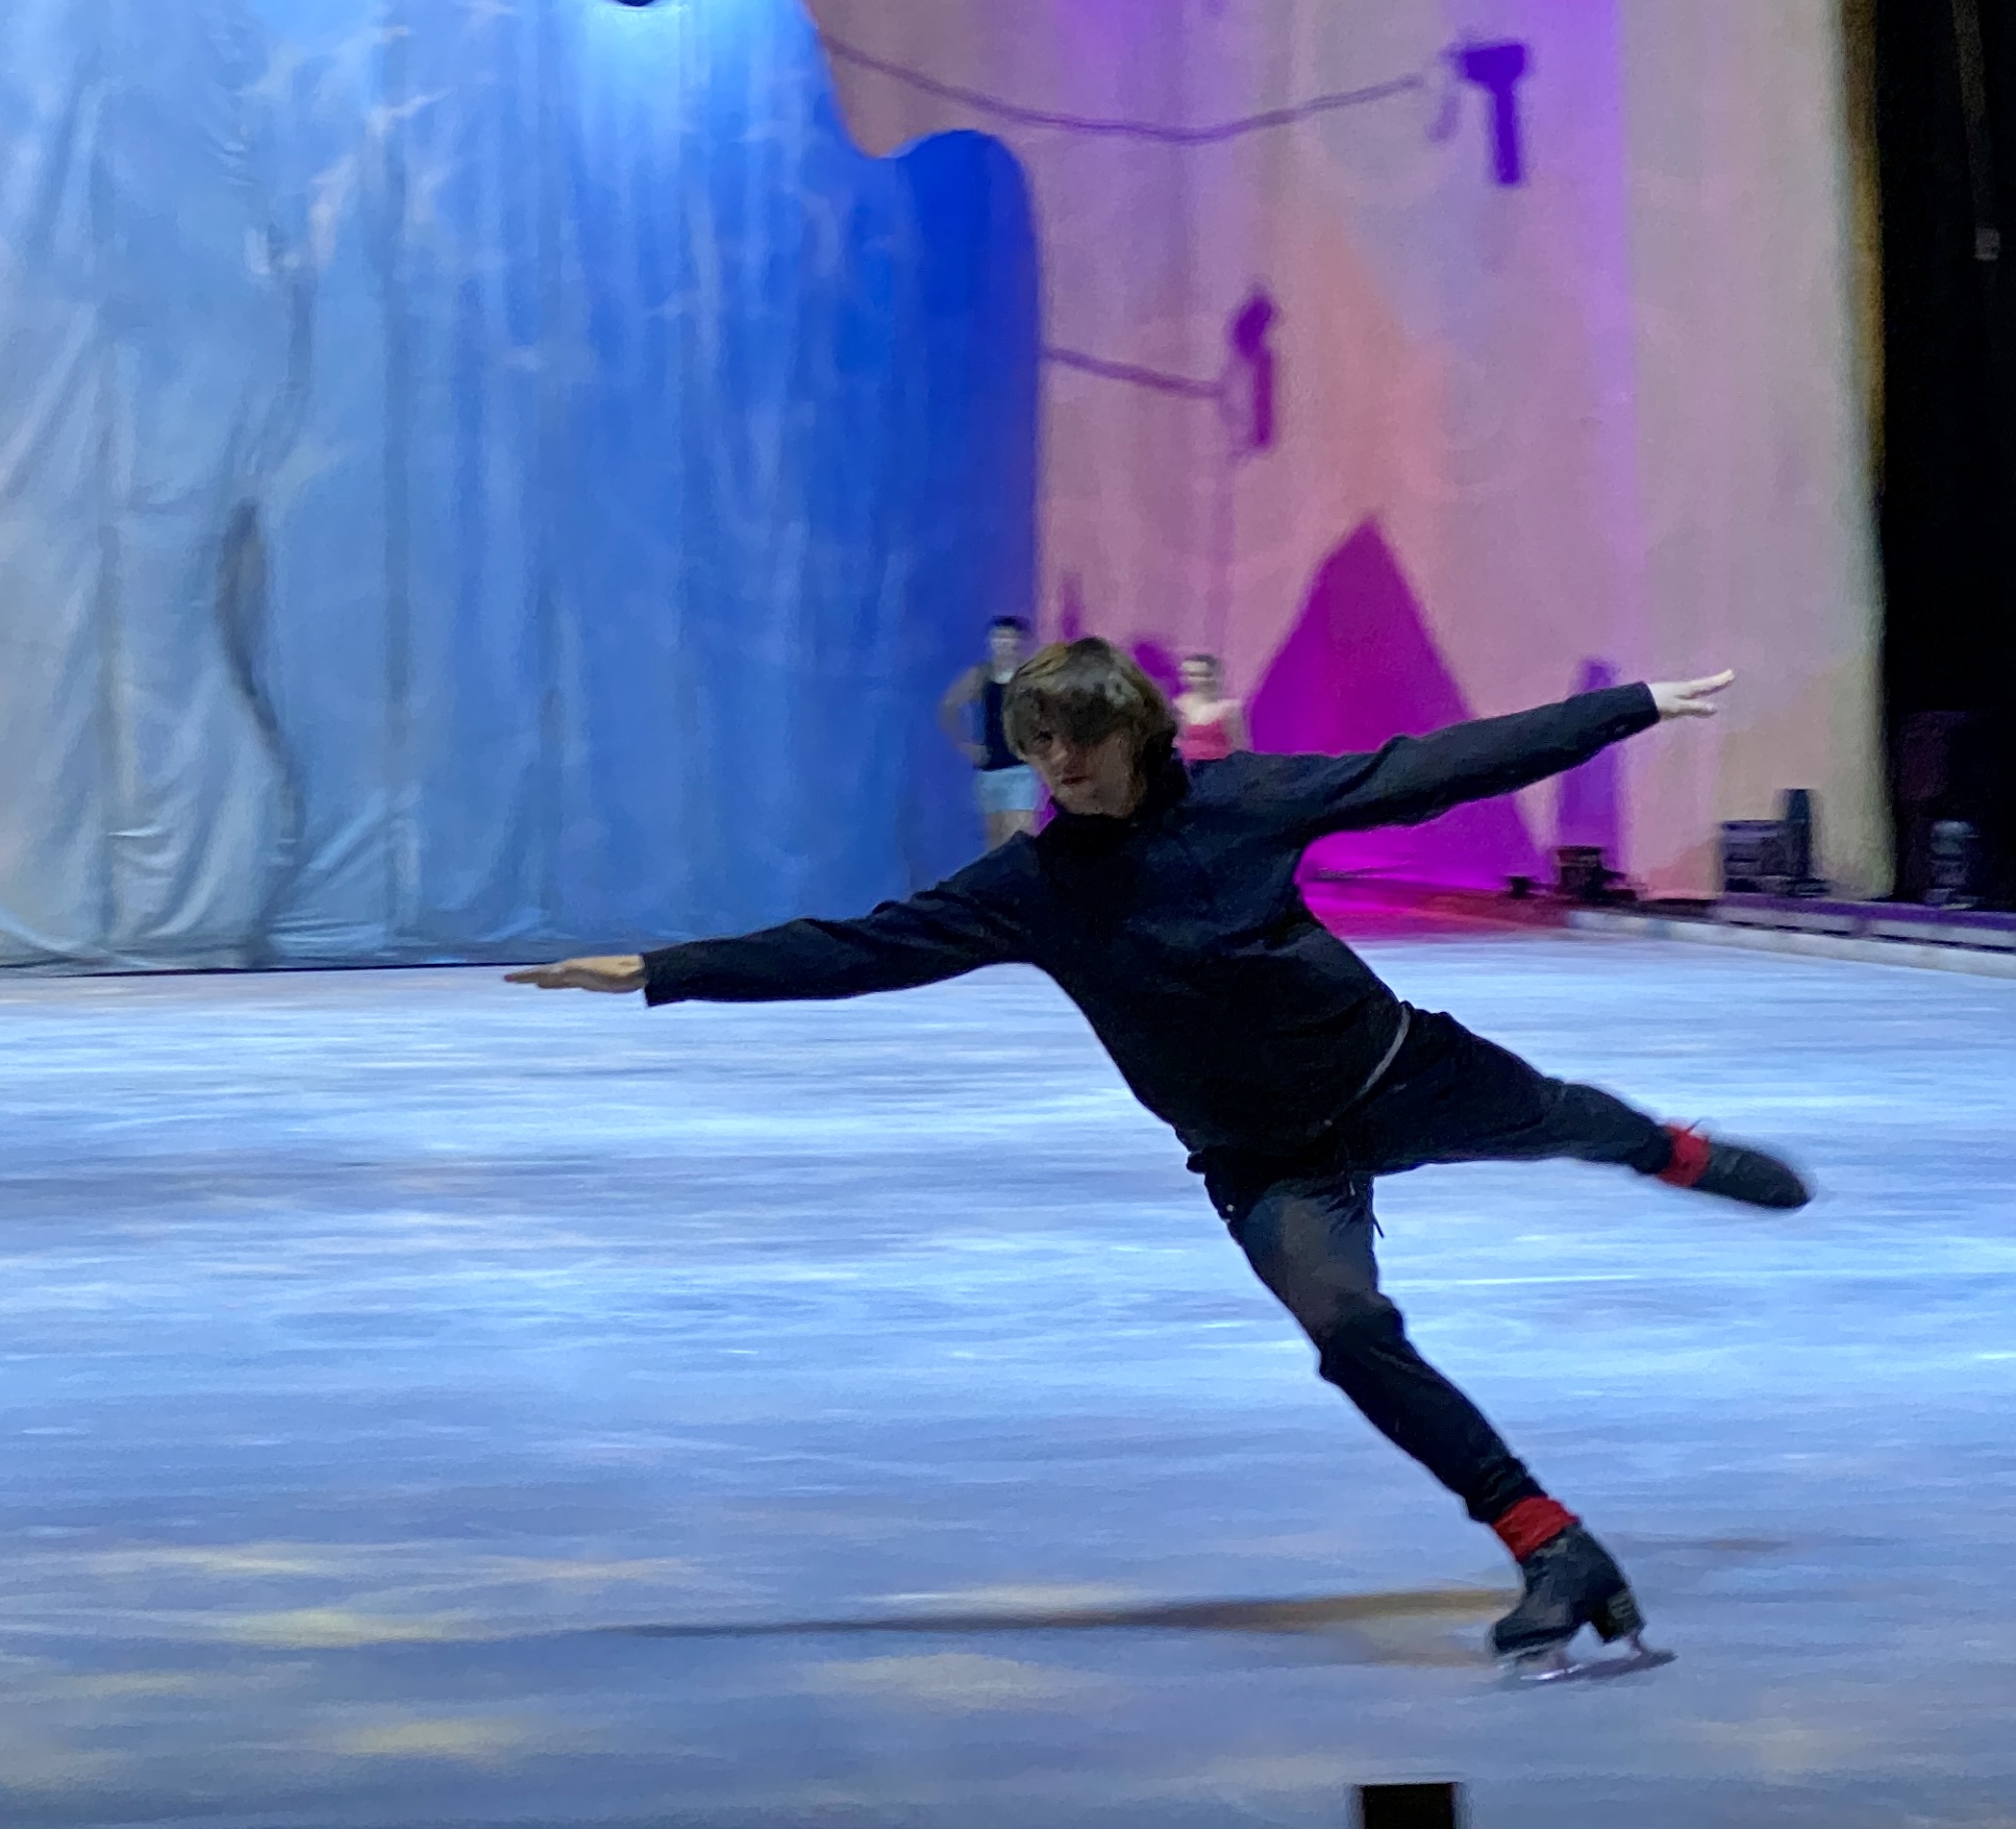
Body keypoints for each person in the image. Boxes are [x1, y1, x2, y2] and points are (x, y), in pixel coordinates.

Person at [512, 637, 1807, 1683]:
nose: (1058, 765)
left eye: (1079, 738)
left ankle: (1677, 1153)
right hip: (1261, 1157)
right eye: (1037, 745)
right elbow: (858, 949)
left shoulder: (1246, 802)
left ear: (1134, 729)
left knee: (1578, 1122)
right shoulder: (1028, 886)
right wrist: (663, 971)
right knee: (1347, 1324)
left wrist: (1625, 706)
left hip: (1394, 1073)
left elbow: (1435, 767)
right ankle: (1548, 1543)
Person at [936, 615, 1040, 850]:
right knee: (995, 844)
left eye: (1008, 638)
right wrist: (964, 744)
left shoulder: (1029, 677)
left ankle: (1022, 884)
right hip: (990, 771)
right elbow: (948, 706)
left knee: (1021, 840)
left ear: (1020, 642)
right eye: (998, 637)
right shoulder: (981, 676)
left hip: (1021, 769)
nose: (1003, 644)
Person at [1173, 651, 1250, 762]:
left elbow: (1239, 746)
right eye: (1191, 674)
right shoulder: (1179, 705)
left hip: (1218, 769)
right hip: (1186, 768)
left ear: (1217, 675)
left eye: (1205, 675)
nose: (1198, 680)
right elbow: (1176, 740)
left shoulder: (1230, 708)